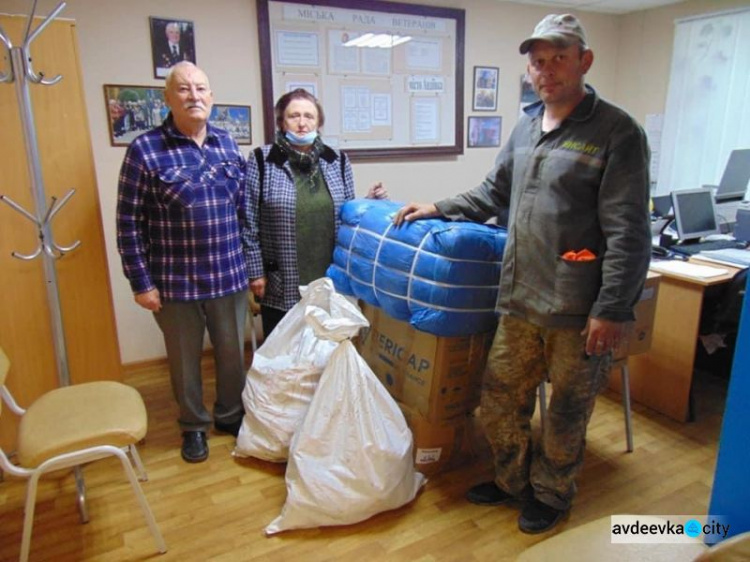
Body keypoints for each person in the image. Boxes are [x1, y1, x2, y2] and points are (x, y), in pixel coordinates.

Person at [393, 14, 651, 534]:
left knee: (567, 410)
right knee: (499, 399)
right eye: (538, 60)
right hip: (520, 299)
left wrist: (613, 308)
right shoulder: (527, 126)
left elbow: (629, 230)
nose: (547, 69)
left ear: (584, 61)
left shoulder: (616, 132)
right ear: (529, 70)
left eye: (559, 57)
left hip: (578, 310)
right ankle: (512, 481)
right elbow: (493, 193)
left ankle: (552, 493)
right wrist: (438, 206)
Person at [117, 61, 249, 464]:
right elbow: (128, 222)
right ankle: (193, 426)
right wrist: (141, 283)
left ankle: (230, 416)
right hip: (175, 282)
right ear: (167, 98)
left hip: (229, 274)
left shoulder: (227, 144)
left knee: (232, 355)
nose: (195, 96)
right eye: (184, 89)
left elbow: (243, 213)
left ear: (211, 96)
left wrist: (253, 267)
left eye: (202, 89)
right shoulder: (145, 149)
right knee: (184, 361)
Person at [246, 88, 387, 338]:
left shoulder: (337, 160)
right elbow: (249, 222)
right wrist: (255, 272)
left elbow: (347, 216)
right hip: (283, 276)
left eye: (309, 116)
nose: (302, 123)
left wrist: (369, 203)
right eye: (294, 116)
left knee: (326, 348)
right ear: (281, 122)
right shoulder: (261, 160)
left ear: (318, 122)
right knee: (285, 354)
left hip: (329, 276)